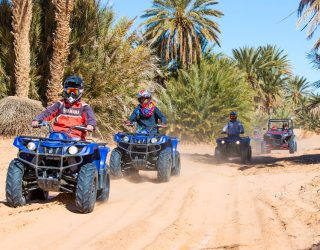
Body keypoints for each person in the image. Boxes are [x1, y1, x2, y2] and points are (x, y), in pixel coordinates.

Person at [32, 76, 97, 140]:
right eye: (69, 91)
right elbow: (47, 112)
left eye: (74, 91)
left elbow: (90, 118)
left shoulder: (84, 107)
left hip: (75, 138)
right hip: (56, 135)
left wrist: (90, 125)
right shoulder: (59, 104)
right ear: (65, 91)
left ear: (80, 92)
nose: (72, 93)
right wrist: (37, 119)